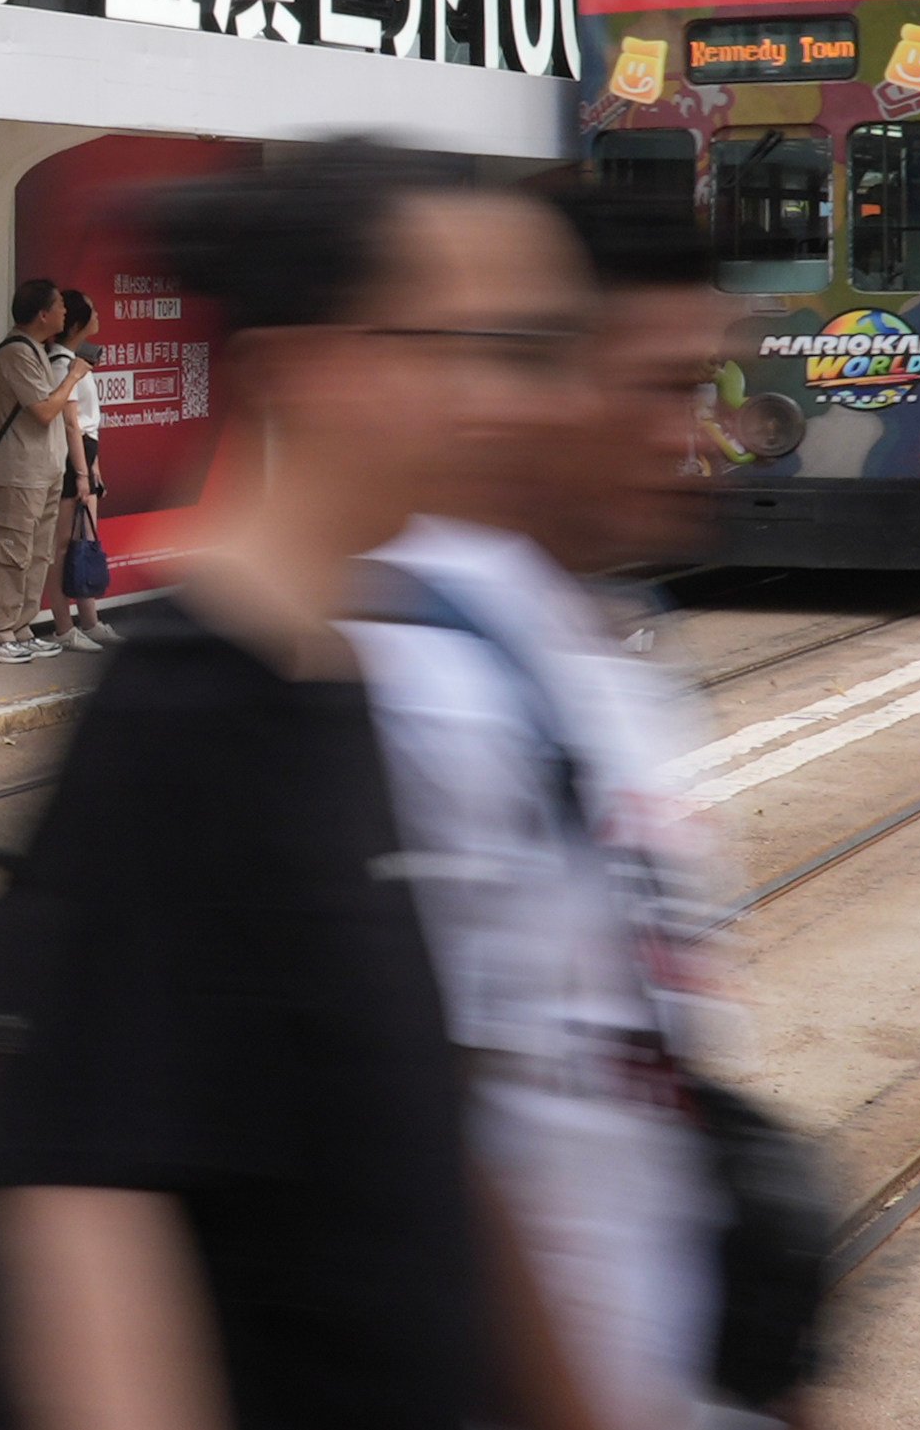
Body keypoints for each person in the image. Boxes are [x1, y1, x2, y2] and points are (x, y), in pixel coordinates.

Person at [0, 149, 604, 1430]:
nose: (498, 397)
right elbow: (84, 1201)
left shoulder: (344, 669)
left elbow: (422, 1133)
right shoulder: (181, 715)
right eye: (452, 344)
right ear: (303, 365)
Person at [342, 181, 767, 1430]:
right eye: (663, 388)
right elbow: (428, 1146)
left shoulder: (599, 653)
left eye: (709, 389)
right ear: (539, 380)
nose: (697, 438)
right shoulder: (419, 684)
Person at [0, 279, 87, 663]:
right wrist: (73, 376)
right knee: (11, 551)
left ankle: (20, 628)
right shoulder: (15, 354)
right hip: (19, 471)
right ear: (42, 314)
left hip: (44, 471)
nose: (65, 312)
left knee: (38, 553)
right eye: (59, 305)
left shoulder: (37, 350)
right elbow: (42, 411)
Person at [40, 288, 112, 653]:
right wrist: (82, 473)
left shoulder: (78, 361)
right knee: (63, 546)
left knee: (85, 541)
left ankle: (90, 620)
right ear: (79, 324)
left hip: (85, 457)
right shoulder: (61, 365)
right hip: (71, 460)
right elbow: (70, 424)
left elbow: (87, 424)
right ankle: (63, 625)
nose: (99, 316)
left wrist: (94, 467)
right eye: (93, 312)